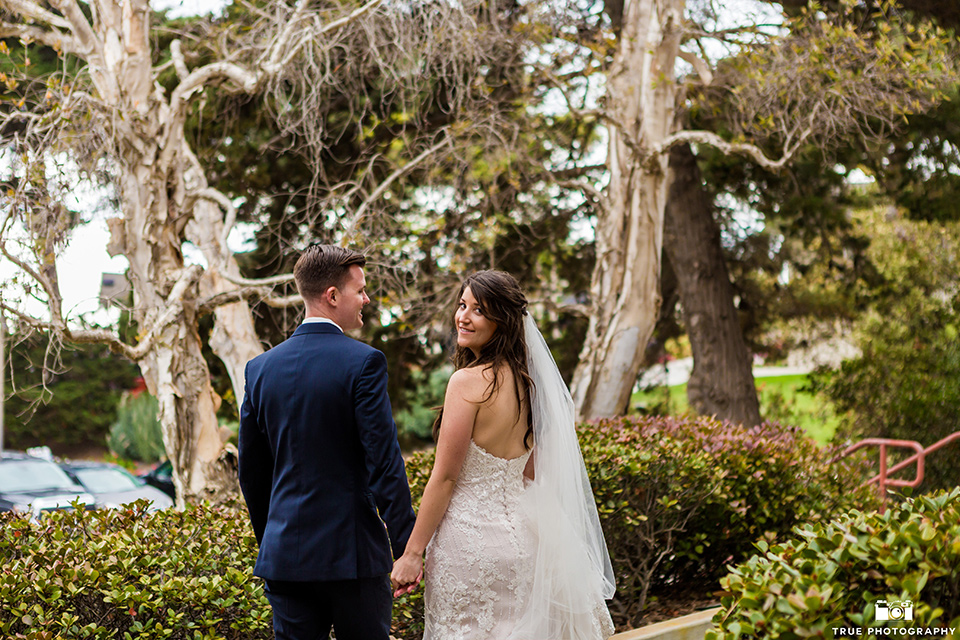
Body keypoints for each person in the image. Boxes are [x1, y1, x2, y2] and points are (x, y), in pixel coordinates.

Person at [391, 270, 616, 640]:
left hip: (469, 546)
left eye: (478, 310)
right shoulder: (531, 384)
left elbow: (445, 478)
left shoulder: (466, 382)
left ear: (503, 320)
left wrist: (412, 553)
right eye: (462, 305)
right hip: (528, 541)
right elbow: (531, 470)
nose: (463, 316)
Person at [239, 244, 416, 640]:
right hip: (351, 558)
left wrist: (275, 539)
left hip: (285, 558)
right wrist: (408, 547)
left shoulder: (260, 369)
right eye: (360, 290)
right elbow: (384, 464)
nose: (366, 299)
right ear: (332, 296)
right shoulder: (364, 362)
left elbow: (250, 472)